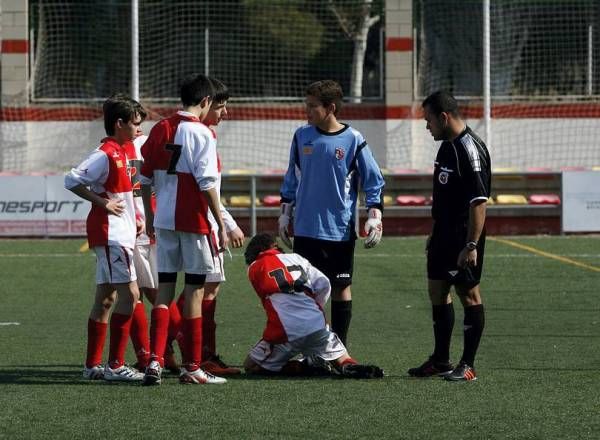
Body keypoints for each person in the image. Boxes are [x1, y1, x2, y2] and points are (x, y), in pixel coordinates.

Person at [279, 79, 385, 346]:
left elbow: (374, 180)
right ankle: (310, 349)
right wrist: (284, 212)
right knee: (305, 291)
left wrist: (375, 215)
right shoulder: (301, 136)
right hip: (305, 228)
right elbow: (291, 177)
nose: (307, 111)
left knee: (340, 287)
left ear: (331, 108)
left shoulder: (353, 140)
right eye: (307, 105)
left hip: (339, 229)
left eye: (313, 106)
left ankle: (339, 349)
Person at [139, 73, 229, 385]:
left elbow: (145, 176)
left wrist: (151, 219)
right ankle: (192, 367)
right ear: (205, 101)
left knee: (164, 292)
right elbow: (206, 182)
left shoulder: (160, 128)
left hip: (164, 222)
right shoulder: (202, 133)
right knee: (194, 291)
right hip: (194, 223)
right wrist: (221, 222)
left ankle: (154, 360)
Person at [408, 91, 491, 382]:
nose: (426, 126)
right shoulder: (446, 147)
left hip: (463, 236)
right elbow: (444, 196)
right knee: (437, 290)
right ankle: (441, 360)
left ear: (443, 117)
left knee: (468, 294)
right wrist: (434, 232)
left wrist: (471, 244)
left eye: (428, 119)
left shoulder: (469, 149)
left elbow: (479, 202)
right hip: (442, 235)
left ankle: (467, 365)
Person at [65, 94, 147, 382]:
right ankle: (115, 366)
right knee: (132, 294)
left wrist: (135, 218)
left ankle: (91, 366)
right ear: (119, 123)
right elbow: (71, 180)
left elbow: (124, 193)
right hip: (111, 234)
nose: (139, 129)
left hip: (120, 232)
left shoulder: (123, 151)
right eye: (135, 124)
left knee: (106, 299)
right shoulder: (105, 153)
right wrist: (103, 204)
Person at [243, 233, 383, 379]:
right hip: (316, 324)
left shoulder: (254, 267)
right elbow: (324, 284)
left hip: (285, 332)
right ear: (275, 246)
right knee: (342, 359)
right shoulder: (297, 258)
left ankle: (300, 366)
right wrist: (314, 309)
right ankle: (346, 365)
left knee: (251, 366)